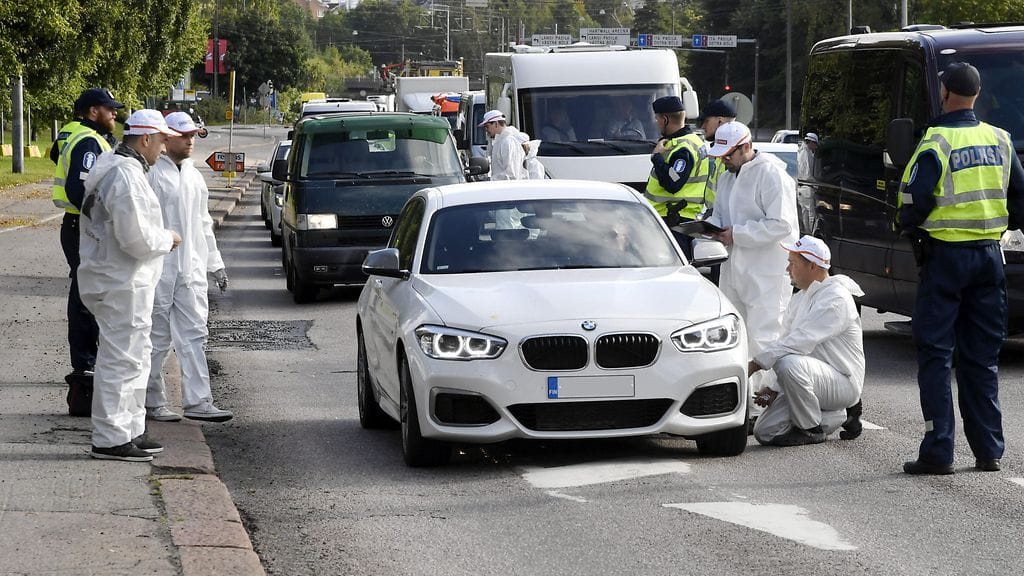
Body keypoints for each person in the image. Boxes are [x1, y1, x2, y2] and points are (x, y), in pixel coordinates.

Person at [898, 62, 1024, 475]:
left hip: (946, 259)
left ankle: (939, 451)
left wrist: (909, 227)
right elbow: (1020, 199)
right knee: (982, 357)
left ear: (946, 94)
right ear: (977, 94)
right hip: (990, 258)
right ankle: (988, 451)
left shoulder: (937, 141)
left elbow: (915, 200)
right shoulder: (1000, 139)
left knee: (936, 353)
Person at [78, 110, 182, 462]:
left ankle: (130, 429)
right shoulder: (125, 175)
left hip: (119, 278)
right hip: (120, 280)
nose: (165, 148)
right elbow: (135, 238)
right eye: (163, 140)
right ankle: (110, 438)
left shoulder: (116, 165)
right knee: (121, 359)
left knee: (133, 357)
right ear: (146, 139)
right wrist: (167, 238)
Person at [704, 121, 799, 424]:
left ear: (746, 147)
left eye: (728, 155)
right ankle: (740, 402)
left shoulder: (771, 174)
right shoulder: (729, 175)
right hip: (736, 266)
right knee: (737, 336)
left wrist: (737, 234)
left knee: (764, 336)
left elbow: (781, 224)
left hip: (766, 271)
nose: (723, 160)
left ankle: (759, 407)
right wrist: (709, 228)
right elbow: (721, 214)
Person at [145, 112, 233, 423]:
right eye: (185, 136)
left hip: (190, 270)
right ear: (166, 138)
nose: (191, 140)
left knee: (195, 335)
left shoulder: (194, 176)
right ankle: (151, 402)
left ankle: (199, 402)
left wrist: (215, 264)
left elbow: (204, 225)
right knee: (156, 338)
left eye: (193, 135)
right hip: (159, 270)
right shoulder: (153, 174)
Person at [749, 236, 865, 446]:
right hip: (811, 378)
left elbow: (798, 342)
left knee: (788, 363)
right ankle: (840, 414)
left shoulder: (836, 298)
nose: (787, 270)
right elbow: (785, 341)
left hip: (842, 382)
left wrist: (754, 365)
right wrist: (773, 388)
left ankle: (811, 428)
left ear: (812, 266)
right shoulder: (801, 298)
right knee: (765, 432)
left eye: (792, 263)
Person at [50, 88, 124, 416]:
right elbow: (79, 186)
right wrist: (101, 222)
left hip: (74, 225)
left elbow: (56, 157)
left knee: (86, 295)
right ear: (94, 111)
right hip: (82, 227)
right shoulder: (89, 141)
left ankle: (88, 363)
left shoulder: (72, 133)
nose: (115, 115)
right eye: (110, 110)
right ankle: (85, 367)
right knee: (85, 300)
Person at [644, 95, 709, 259]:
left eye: (657, 118)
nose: (656, 123)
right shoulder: (693, 140)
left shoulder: (683, 148)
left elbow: (673, 183)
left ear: (665, 119)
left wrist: (657, 158)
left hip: (674, 220)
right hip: (680, 220)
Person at [479, 109, 526, 181]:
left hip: (509, 190)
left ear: (496, 124)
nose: (486, 130)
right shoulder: (500, 141)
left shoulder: (508, 142)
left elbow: (512, 174)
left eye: (487, 126)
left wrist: (490, 180)